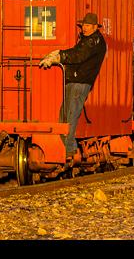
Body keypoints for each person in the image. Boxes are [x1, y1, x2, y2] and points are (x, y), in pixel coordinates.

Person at [39, 12, 107, 160]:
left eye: (88, 26)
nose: (84, 28)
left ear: (95, 27)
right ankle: (66, 147)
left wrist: (58, 58)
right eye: (83, 25)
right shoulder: (91, 40)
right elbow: (77, 52)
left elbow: (78, 55)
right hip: (78, 82)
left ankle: (68, 149)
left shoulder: (92, 41)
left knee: (69, 115)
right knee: (65, 114)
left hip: (79, 82)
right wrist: (59, 53)